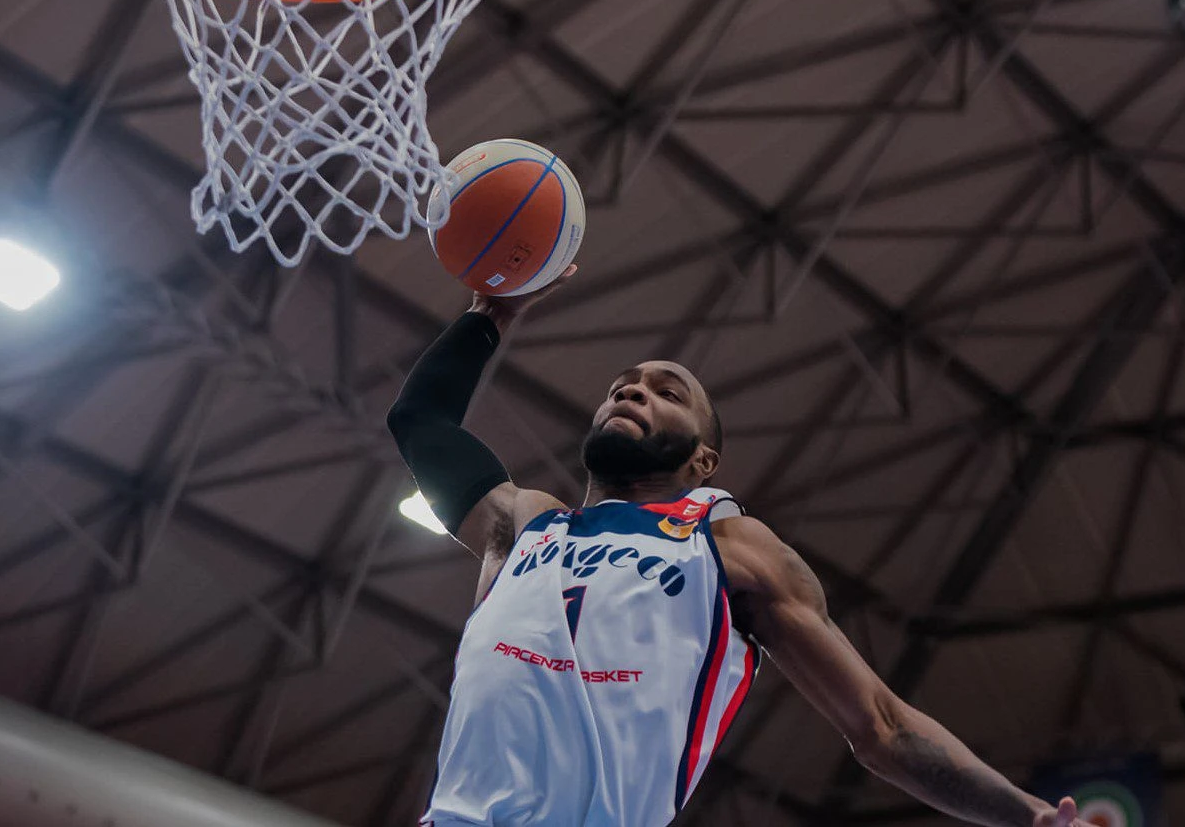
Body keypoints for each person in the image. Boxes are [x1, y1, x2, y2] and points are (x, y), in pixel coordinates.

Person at [388, 266, 1090, 827]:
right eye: (622, 387)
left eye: (667, 393)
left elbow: (880, 725)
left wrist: (1025, 814)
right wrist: (491, 313)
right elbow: (419, 419)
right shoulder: (524, 524)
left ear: (704, 460)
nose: (632, 393)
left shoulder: (728, 544)